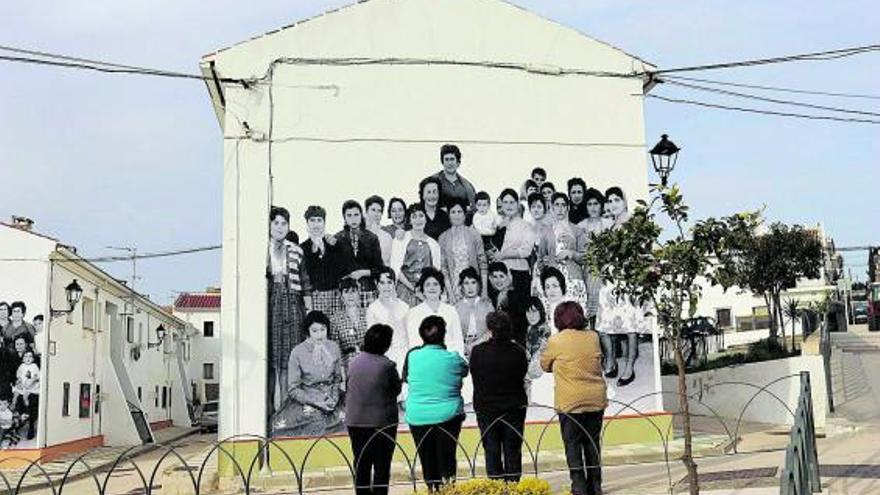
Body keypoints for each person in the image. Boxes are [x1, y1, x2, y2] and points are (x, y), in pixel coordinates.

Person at [540, 302, 607, 495]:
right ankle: (596, 487)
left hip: (570, 401)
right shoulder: (593, 337)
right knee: (592, 444)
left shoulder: (556, 341)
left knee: (572, 445)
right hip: (595, 398)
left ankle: (579, 487)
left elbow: (544, 365)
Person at [595, 187, 652, 386]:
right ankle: (611, 361)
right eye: (609, 201)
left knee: (630, 325)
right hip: (611, 280)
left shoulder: (634, 222)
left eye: (616, 199)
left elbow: (643, 250)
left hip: (628, 280)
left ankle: (629, 366)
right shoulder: (609, 225)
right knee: (604, 324)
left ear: (624, 201)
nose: (613, 204)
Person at [404, 315, 468, 492]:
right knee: (447, 458)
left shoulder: (413, 356)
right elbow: (465, 370)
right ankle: (447, 488)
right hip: (448, 416)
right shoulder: (453, 358)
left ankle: (432, 488)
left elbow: (407, 378)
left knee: (427, 459)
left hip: (418, 416)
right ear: (444, 335)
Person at [469, 311, 528, 482]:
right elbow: (521, 374)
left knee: (492, 451)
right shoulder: (518, 350)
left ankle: (496, 488)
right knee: (513, 451)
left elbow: (475, 375)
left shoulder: (478, 351)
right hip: (513, 408)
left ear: (489, 329)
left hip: (487, 408)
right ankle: (513, 488)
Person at [346, 324, 402, 495]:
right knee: (381, 466)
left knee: (361, 464)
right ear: (386, 344)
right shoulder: (387, 366)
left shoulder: (353, 362)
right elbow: (396, 390)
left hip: (355, 422)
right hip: (381, 423)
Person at [273, 311, 344, 437]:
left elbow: (337, 378)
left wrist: (334, 398)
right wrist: (316, 402)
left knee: (350, 418)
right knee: (309, 422)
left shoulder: (333, 347)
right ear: (307, 332)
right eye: (315, 331)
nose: (320, 335)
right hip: (306, 399)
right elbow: (293, 388)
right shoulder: (297, 352)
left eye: (323, 330)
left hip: (332, 398)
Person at [267, 206, 307, 417]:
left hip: (293, 306)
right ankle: (272, 411)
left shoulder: (296, 250)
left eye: (284, 223)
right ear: (270, 225)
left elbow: (305, 283)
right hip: (272, 305)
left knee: (290, 358)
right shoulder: (263, 249)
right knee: (273, 360)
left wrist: (307, 310)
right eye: (276, 223)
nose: (280, 227)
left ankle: (290, 409)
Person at [490, 189, 535, 336]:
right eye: (505, 202)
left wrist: (504, 255)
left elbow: (526, 251)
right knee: (501, 317)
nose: (508, 205)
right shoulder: (497, 226)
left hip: (519, 274)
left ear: (517, 204)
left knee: (518, 318)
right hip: (500, 276)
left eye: (512, 202)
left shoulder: (525, 225)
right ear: (500, 204)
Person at [538, 193, 589, 312]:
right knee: (556, 317)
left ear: (568, 207)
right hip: (554, 283)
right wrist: (546, 263)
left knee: (575, 317)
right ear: (551, 207)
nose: (560, 209)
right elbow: (540, 259)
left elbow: (586, 257)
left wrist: (571, 253)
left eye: (563, 205)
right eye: (556, 205)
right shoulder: (546, 232)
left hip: (573, 280)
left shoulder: (577, 230)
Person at [389, 204, 442, 306]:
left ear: (426, 218)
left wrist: (424, 291)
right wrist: (413, 289)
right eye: (414, 216)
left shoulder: (433, 244)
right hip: (404, 290)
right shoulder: (401, 239)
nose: (418, 220)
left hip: (425, 292)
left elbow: (436, 271)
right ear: (409, 220)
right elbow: (395, 268)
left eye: (421, 216)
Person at [405, 268, 464, 357]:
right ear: (422, 290)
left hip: (449, 357)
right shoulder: (413, 313)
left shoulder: (451, 310)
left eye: (435, 284)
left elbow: (458, 341)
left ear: (441, 289)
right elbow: (414, 343)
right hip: (425, 359)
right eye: (427, 285)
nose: (432, 288)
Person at [336, 200, 385, 307]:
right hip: (347, 292)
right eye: (349, 215)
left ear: (361, 215)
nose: (353, 219)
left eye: (356, 215)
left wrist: (363, 272)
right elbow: (335, 269)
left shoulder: (372, 238)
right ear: (344, 217)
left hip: (367, 289)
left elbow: (379, 269)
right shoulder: (338, 239)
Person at [438, 199, 487, 304]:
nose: (456, 215)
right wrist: (450, 294)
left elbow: (483, 263)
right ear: (449, 215)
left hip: (473, 285)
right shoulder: (443, 238)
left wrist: (484, 291)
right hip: (453, 287)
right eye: (453, 212)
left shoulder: (474, 234)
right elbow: (443, 268)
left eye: (459, 212)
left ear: (465, 214)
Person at [301, 205, 345, 317]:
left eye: (319, 220)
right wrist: (313, 253)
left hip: (335, 295)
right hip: (314, 296)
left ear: (324, 223)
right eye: (312, 220)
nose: (316, 224)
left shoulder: (334, 243)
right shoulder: (302, 247)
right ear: (307, 223)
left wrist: (335, 247)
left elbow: (342, 269)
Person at [366, 267, 411, 373]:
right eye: (382, 283)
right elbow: (372, 340)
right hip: (383, 357)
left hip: (403, 355)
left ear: (394, 284)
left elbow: (410, 335)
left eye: (389, 282)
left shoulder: (404, 307)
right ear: (377, 284)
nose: (386, 287)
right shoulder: (373, 309)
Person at [577, 188, 609, 324]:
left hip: (606, 271)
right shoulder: (580, 226)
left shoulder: (608, 224)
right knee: (590, 309)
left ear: (601, 205)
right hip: (587, 271)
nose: (593, 207)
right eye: (589, 204)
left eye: (596, 203)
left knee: (606, 310)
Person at [454, 267, 493, 357]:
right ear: (461, 287)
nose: (470, 287)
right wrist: (464, 347)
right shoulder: (456, 307)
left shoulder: (487, 305)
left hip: (485, 347)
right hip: (463, 349)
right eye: (466, 283)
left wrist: (475, 345)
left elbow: (492, 330)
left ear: (479, 285)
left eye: (473, 282)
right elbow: (453, 333)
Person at [332, 277, 369, 371]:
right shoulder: (335, 319)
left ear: (359, 293)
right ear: (341, 296)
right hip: (348, 366)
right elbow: (336, 349)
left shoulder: (368, 314)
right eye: (346, 292)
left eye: (353, 291)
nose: (350, 295)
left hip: (369, 362)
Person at [427, 144, 477, 213]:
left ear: (458, 162)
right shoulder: (432, 182)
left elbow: (474, 208)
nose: (449, 163)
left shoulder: (467, 186)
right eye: (446, 159)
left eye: (452, 159)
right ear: (442, 162)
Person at [11, 350, 38, 440]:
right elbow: (18, 376)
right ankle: (16, 406)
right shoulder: (21, 366)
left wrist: (30, 382)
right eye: (26, 356)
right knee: (16, 392)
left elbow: (35, 377)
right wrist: (19, 381)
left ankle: (30, 426)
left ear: (33, 359)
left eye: (30, 356)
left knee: (28, 397)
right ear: (23, 359)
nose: (28, 358)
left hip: (31, 388)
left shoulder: (34, 366)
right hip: (22, 387)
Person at [524, 297, 551, 383]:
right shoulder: (530, 328)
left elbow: (540, 356)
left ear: (541, 312)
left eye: (534, 311)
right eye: (528, 312)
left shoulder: (545, 330)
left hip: (542, 377)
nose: (531, 316)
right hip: (531, 375)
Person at [365, 195, 394, 265]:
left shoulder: (387, 237)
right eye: (373, 210)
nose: (376, 214)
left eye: (379, 211)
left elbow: (388, 262)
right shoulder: (357, 233)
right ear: (366, 212)